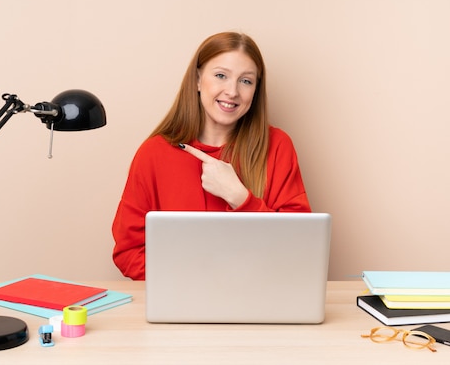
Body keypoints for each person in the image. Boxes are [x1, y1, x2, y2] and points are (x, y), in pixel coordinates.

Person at [112, 32, 311, 280]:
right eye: (220, 76)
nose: (232, 91)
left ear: (256, 90)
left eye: (246, 81)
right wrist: (197, 282)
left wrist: (240, 198)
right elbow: (129, 251)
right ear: (197, 80)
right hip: (179, 301)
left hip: (257, 299)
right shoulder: (153, 153)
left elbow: (298, 249)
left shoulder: (278, 146)